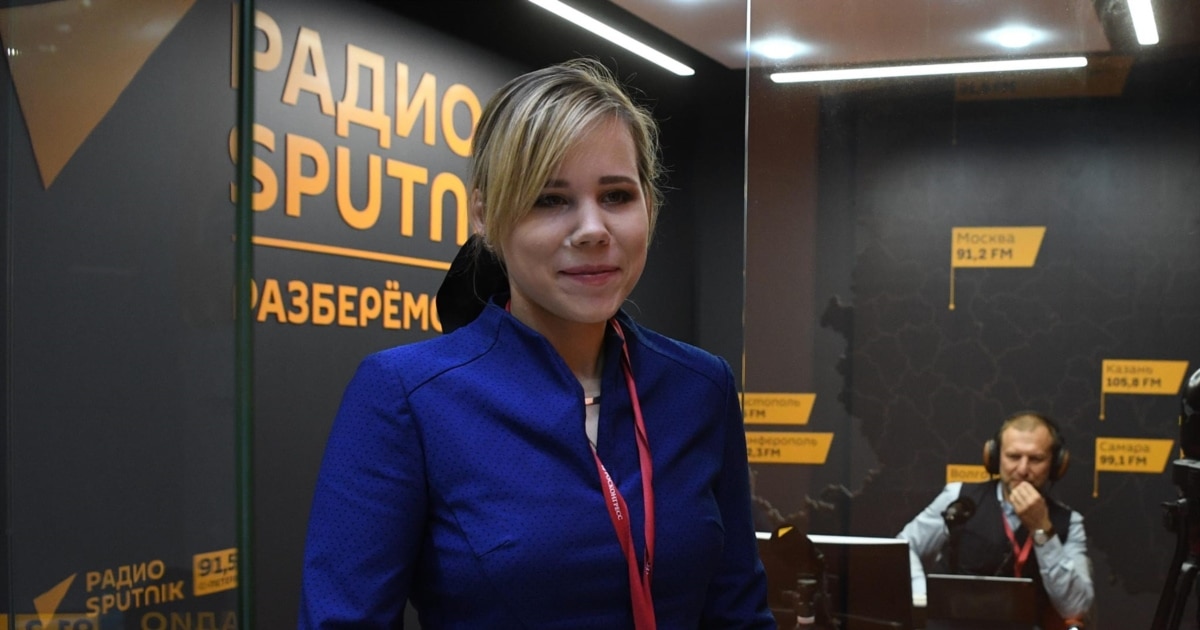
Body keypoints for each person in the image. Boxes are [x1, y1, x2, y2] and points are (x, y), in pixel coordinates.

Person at [298, 58, 774, 629]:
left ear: (649, 204)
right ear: (484, 214)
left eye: (617, 195)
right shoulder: (407, 396)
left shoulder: (700, 388)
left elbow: (739, 614)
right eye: (550, 199)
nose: (593, 229)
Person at [897, 411, 1094, 629]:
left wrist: (1042, 529)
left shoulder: (1069, 523)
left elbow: (1075, 607)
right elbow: (903, 547)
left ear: (1056, 464)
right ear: (994, 457)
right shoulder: (959, 498)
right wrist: (922, 595)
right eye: (1013, 457)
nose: (1023, 469)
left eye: (1036, 459)